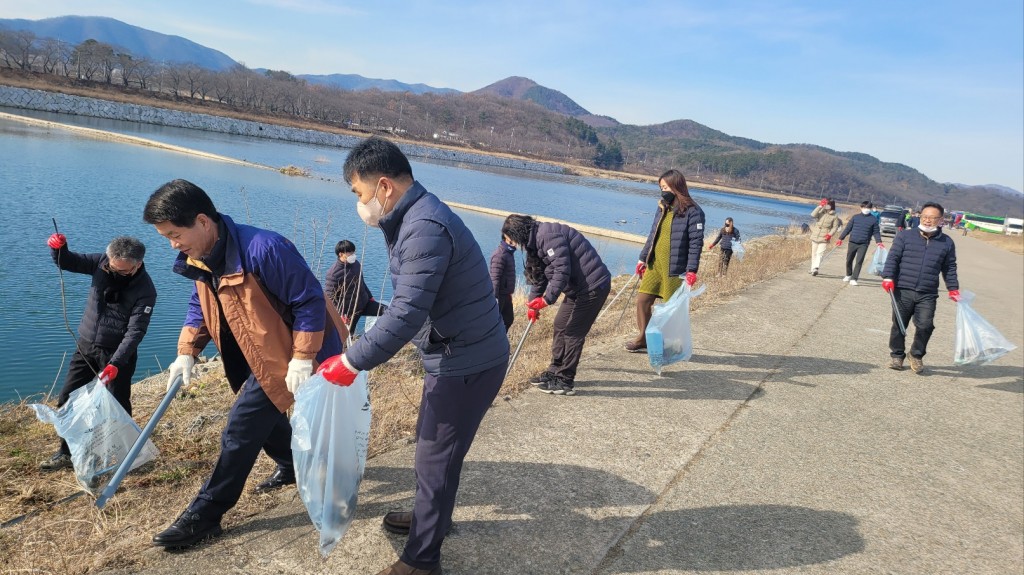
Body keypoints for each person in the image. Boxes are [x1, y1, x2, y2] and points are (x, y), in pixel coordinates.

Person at [314, 137, 509, 575]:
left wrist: (350, 361)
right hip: (458, 352)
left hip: (466, 361)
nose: (359, 204)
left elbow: (404, 313)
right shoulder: (411, 218)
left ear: (383, 187)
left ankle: (422, 561)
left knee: (434, 457)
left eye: (358, 193)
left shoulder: (424, 227)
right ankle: (431, 522)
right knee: (435, 449)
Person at [142, 179, 346, 550]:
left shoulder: (265, 249)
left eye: (175, 234)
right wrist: (186, 349)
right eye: (166, 237)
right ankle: (291, 464)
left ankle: (205, 516)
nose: (172, 244)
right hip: (246, 348)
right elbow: (198, 303)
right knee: (257, 419)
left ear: (203, 221)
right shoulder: (201, 256)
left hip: (289, 350)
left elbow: (310, 302)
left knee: (238, 430)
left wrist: (302, 358)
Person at [40, 235, 157, 471]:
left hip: (117, 355)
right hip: (86, 347)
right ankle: (66, 452)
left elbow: (135, 331)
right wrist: (59, 248)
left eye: (123, 271)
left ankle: (125, 456)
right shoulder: (101, 262)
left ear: (137, 264)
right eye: (113, 268)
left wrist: (116, 363)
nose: (115, 273)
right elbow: (68, 262)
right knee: (67, 398)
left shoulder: (146, 291)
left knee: (117, 405)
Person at [502, 214, 611, 395]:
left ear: (518, 233)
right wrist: (532, 304)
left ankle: (565, 380)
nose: (511, 244)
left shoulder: (547, 236)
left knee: (572, 333)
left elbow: (562, 269)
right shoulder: (533, 242)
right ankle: (554, 371)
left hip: (593, 287)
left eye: (510, 239)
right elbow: (538, 275)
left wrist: (546, 300)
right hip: (576, 290)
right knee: (560, 325)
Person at [626, 169, 705, 353]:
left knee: (671, 310)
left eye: (665, 187)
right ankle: (643, 337)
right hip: (655, 265)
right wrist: (642, 259)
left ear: (676, 186)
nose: (663, 191)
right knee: (642, 300)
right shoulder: (663, 207)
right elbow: (653, 234)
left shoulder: (694, 212)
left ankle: (669, 343)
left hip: (675, 268)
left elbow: (696, 243)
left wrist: (692, 270)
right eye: (661, 187)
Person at [881, 202, 960, 374]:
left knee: (925, 325)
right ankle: (897, 355)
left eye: (933, 218)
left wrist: (953, 287)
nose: (928, 220)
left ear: (941, 220)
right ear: (920, 217)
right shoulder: (905, 236)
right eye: (925, 217)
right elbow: (893, 257)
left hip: (928, 292)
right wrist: (888, 277)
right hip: (902, 288)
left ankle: (916, 355)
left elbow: (950, 267)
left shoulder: (947, 242)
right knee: (899, 324)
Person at [324, 239, 388, 334]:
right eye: (350, 253)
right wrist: (340, 315)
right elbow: (331, 298)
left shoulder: (356, 264)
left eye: (353, 252)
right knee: (348, 335)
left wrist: (370, 297)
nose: (353, 255)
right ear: (341, 254)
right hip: (349, 311)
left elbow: (362, 283)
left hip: (365, 303)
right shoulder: (333, 274)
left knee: (388, 311)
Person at [835, 201, 884, 286]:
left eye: (868, 208)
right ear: (861, 208)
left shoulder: (873, 220)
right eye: (865, 208)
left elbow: (876, 232)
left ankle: (854, 278)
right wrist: (840, 238)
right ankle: (848, 275)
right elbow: (847, 229)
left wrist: (879, 242)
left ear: (871, 209)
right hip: (853, 242)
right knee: (849, 260)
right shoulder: (855, 217)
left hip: (864, 244)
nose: (866, 209)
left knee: (859, 261)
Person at [490, 237, 517, 332]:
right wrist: (494, 298)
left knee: (509, 319)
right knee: (494, 323)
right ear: (507, 237)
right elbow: (494, 278)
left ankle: (500, 342)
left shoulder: (509, 253)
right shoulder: (499, 254)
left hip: (506, 294)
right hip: (499, 295)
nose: (516, 243)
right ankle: (493, 343)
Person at [809, 198, 841, 276]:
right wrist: (820, 206)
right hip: (815, 235)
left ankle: (816, 267)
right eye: (826, 204)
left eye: (828, 204)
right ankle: (812, 269)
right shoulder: (821, 212)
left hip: (824, 236)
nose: (826, 206)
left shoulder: (834, 216)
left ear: (831, 205)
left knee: (820, 253)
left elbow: (835, 227)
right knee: (814, 253)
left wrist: (830, 234)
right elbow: (813, 215)